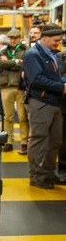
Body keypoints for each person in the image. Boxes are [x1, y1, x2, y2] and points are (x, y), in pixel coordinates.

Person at [22, 23, 66, 189]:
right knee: (40, 139)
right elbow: (37, 79)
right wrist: (62, 87)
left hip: (54, 102)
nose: (58, 43)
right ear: (45, 37)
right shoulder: (33, 54)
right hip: (41, 102)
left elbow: (54, 76)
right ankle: (37, 175)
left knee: (55, 141)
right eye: (56, 40)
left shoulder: (51, 54)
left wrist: (62, 82)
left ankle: (47, 173)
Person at [0, 29, 29, 154]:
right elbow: (0, 64)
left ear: (19, 38)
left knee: (22, 116)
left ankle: (24, 142)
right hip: (6, 85)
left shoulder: (25, 51)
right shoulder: (3, 51)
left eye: (15, 37)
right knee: (8, 116)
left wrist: (10, 62)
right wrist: (16, 62)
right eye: (10, 37)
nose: (13, 40)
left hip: (21, 86)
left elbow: (25, 65)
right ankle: (8, 141)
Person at [57, 44, 66, 183]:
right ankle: (63, 169)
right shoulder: (59, 57)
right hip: (64, 103)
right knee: (64, 139)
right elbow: (59, 76)